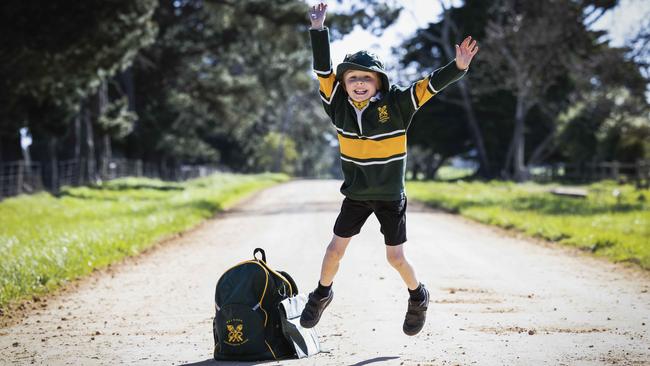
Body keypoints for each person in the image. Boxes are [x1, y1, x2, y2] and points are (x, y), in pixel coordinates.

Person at [300, 2, 479, 336]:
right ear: (345, 83)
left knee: (395, 259)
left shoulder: (396, 104)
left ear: (378, 81)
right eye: (352, 78)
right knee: (334, 251)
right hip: (355, 196)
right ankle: (322, 294)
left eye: (366, 78)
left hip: (389, 197)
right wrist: (318, 30)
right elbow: (323, 72)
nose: (358, 83)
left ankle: (417, 296)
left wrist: (457, 67)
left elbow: (428, 86)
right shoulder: (336, 105)